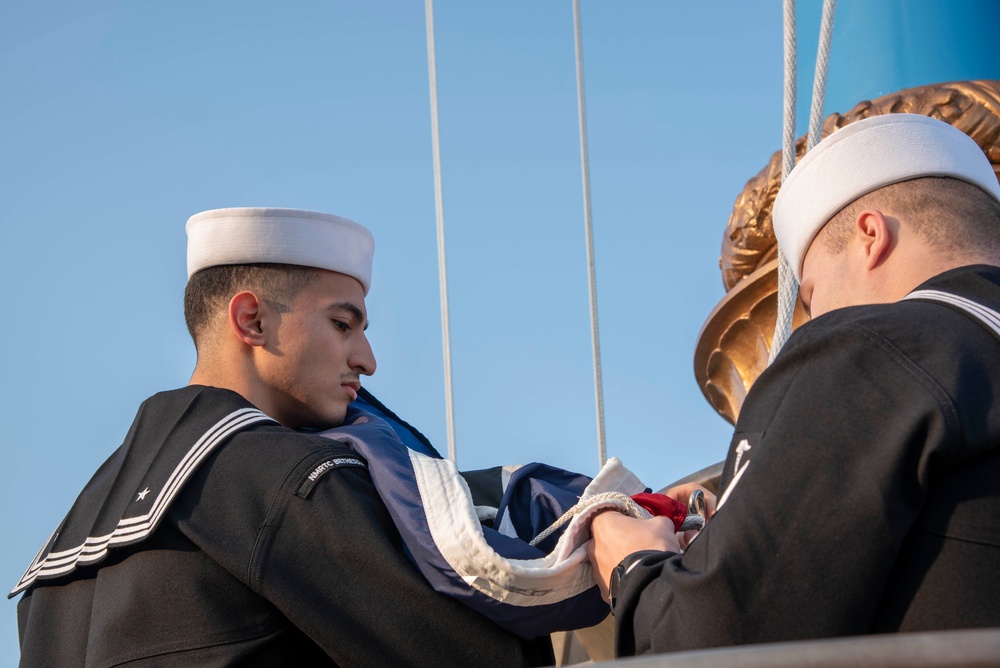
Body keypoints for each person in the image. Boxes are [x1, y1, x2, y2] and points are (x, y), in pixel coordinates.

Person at [11, 208, 555, 666]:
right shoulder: (279, 474)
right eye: (344, 324)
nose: (367, 359)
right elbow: (477, 655)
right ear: (251, 320)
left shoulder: (62, 543)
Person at [587, 113, 1000, 656]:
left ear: (870, 236)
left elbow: (714, 646)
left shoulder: (865, 351)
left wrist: (632, 566)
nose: (813, 314)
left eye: (810, 292)